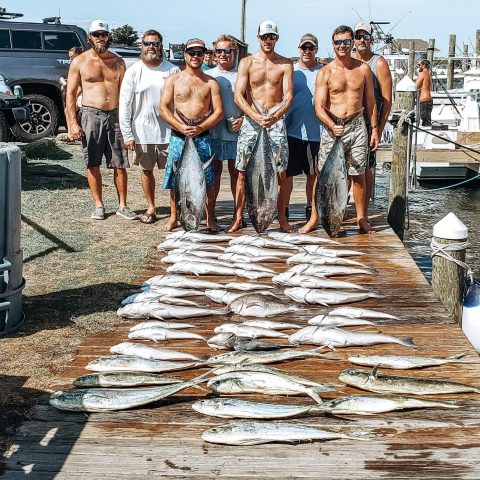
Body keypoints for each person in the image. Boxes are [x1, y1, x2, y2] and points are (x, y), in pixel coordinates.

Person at [302, 25, 379, 234]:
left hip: (357, 126)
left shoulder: (363, 69)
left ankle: (361, 218)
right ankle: (315, 218)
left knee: (359, 174)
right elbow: (318, 106)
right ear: (333, 44)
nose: (343, 46)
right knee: (323, 175)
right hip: (332, 128)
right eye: (338, 42)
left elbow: (371, 102)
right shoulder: (325, 72)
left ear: (352, 42)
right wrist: (331, 125)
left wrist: (374, 129)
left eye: (346, 41)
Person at [66, 20, 137, 221]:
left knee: (120, 163)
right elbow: (70, 95)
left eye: (103, 34)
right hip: (91, 114)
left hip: (115, 114)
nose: (100, 38)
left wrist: (128, 123)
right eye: (96, 34)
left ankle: (122, 205)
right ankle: (99, 205)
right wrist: (72, 123)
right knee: (92, 162)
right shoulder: (79, 62)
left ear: (109, 37)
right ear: (89, 37)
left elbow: (126, 95)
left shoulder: (118, 62)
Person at [227, 20, 293, 233]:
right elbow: (238, 95)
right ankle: (239, 217)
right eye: (264, 36)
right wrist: (254, 115)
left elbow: (288, 96)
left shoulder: (285, 64)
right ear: (258, 38)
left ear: (276, 38)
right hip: (251, 122)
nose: (268, 40)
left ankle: (282, 218)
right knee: (242, 171)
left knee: (281, 172)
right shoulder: (246, 63)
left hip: (275, 122)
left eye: (271, 36)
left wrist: (276, 116)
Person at [159, 38, 223, 232]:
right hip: (179, 136)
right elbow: (163, 109)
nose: (196, 57)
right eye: (192, 53)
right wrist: (181, 126)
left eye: (200, 53)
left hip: (202, 137)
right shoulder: (174, 79)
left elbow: (218, 111)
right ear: (185, 55)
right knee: (175, 177)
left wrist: (201, 127)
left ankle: (209, 217)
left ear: (205, 55)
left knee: (208, 179)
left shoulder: (211, 82)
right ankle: (174, 217)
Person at [119, 29, 180, 224]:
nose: (151, 47)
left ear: (161, 46)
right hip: (142, 132)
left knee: (175, 172)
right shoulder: (133, 71)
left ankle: (175, 211)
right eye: (147, 43)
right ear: (142, 46)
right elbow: (125, 105)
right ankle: (151, 207)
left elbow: (180, 102)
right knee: (147, 171)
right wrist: (127, 134)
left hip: (170, 132)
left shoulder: (172, 70)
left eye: (155, 43)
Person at [353, 21, 392, 217]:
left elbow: (387, 100)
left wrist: (378, 128)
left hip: (369, 124)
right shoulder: (349, 59)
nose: (362, 40)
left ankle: (364, 213)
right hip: (350, 124)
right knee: (346, 169)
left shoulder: (379, 63)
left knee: (366, 169)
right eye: (358, 36)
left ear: (371, 40)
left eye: (365, 36)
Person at [284, 33, 323, 227]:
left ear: (316, 50)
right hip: (292, 131)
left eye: (311, 48)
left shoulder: (323, 71)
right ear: (299, 49)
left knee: (313, 175)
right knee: (287, 175)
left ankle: (311, 209)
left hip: (317, 133)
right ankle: (284, 209)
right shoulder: (291, 71)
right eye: (304, 48)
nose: (307, 51)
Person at [207, 34, 243, 222]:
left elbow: (252, 102)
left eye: (227, 50)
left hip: (237, 133)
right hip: (213, 133)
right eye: (219, 50)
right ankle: (210, 215)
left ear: (234, 52)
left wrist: (244, 119)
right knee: (214, 173)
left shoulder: (241, 75)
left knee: (237, 174)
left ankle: (238, 216)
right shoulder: (208, 75)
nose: (223, 54)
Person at [416, 59, 433, 126]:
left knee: (426, 123)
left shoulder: (422, 74)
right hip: (428, 100)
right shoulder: (428, 75)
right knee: (427, 122)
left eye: (419, 65)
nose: (418, 67)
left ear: (423, 66)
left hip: (424, 101)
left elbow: (415, 86)